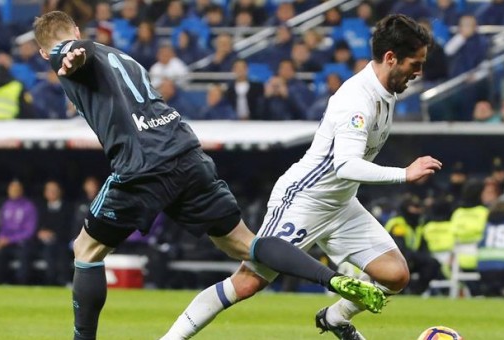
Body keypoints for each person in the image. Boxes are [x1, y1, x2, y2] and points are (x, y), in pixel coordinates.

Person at [32, 11, 385, 340]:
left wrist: (71, 54)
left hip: (143, 164)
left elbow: (74, 52)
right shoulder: (120, 56)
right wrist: (80, 49)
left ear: (40, 49)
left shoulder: (71, 51)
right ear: (78, 27)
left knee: (86, 250)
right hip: (186, 152)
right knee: (246, 245)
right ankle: (333, 278)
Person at [163, 14, 441, 340]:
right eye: (415, 63)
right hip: (304, 199)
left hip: (341, 204)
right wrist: (404, 174)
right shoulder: (357, 101)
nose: (419, 72)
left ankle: (335, 319)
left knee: (395, 275)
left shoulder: (387, 91)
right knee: (248, 282)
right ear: (391, 58)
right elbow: (346, 165)